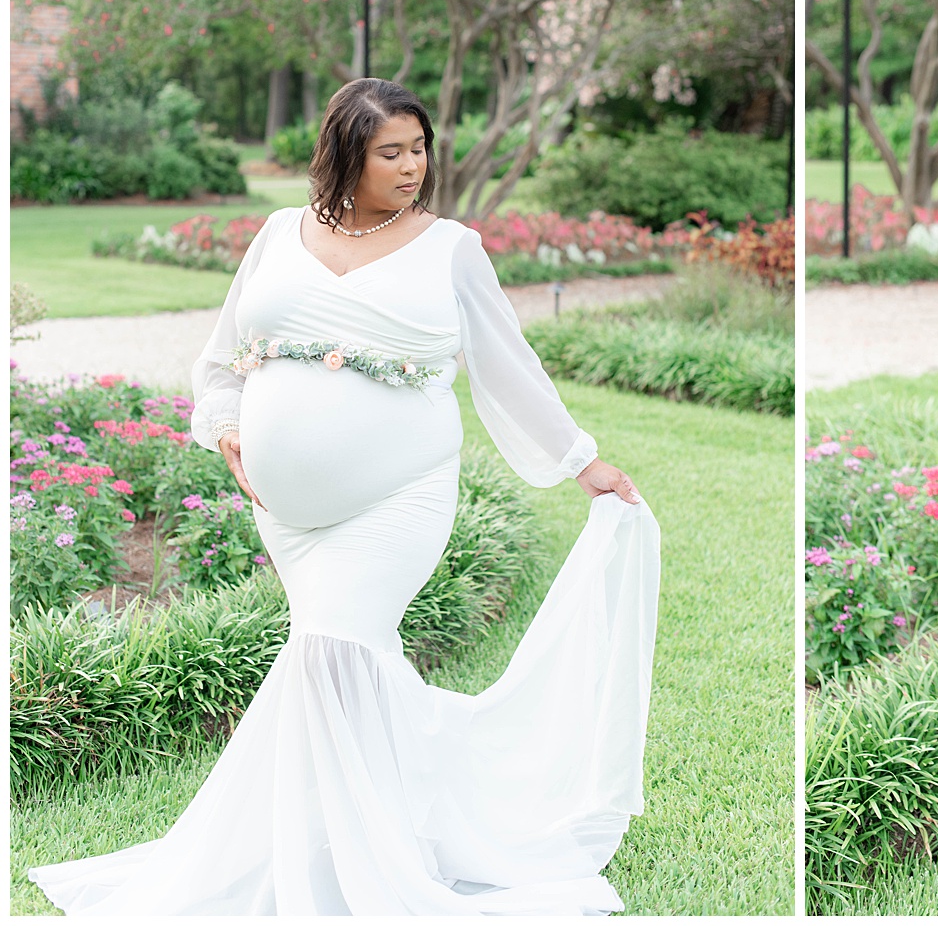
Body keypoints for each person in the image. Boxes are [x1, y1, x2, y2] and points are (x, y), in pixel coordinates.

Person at [28, 78, 661, 916]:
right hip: (287, 514)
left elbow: (511, 369)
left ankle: (363, 869)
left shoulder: (449, 248)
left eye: (419, 148)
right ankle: (374, 823)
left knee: (334, 647)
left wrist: (583, 462)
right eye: (389, 151)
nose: (411, 167)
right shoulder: (276, 235)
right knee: (352, 664)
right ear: (343, 155)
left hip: (399, 496)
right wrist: (225, 429)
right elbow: (220, 361)